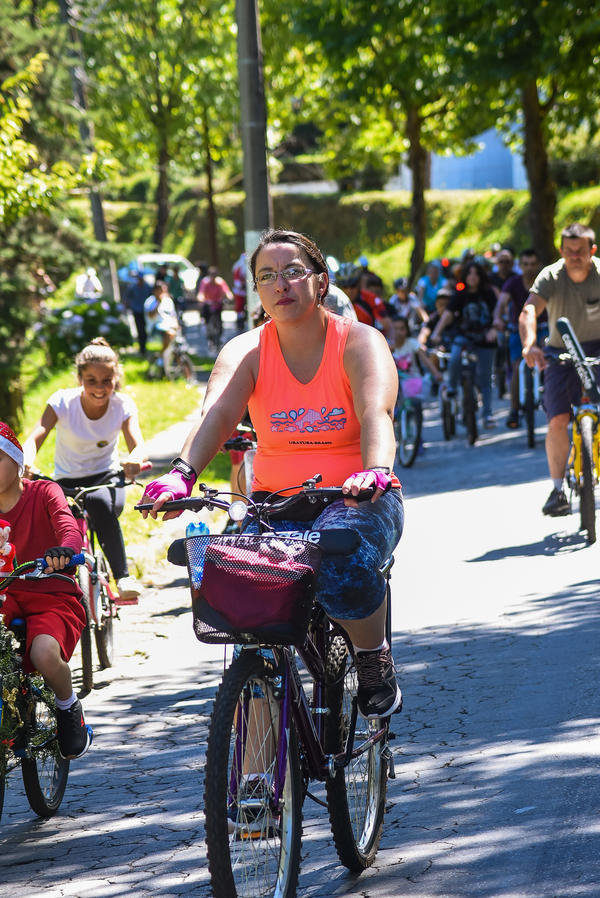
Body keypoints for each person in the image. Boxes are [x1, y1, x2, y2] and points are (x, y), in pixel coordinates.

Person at [141, 228, 405, 720]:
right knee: (242, 596)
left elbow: (377, 413)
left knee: (342, 570)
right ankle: (259, 753)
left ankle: (372, 656)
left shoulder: (359, 341)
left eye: (292, 272)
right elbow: (217, 415)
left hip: (357, 496)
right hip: (274, 502)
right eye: (266, 276)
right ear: (256, 291)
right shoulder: (246, 350)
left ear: (321, 281)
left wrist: (374, 471)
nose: (280, 284)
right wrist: (182, 473)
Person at [22, 338, 147, 601]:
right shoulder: (62, 402)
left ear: (116, 378)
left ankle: (122, 577)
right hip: (66, 479)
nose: (100, 388)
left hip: (106, 477)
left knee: (100, 504)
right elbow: (35, 437)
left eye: (106, 380)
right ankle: (53, 586)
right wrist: (27, 461)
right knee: (56, 522)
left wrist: (135, 460)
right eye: (91, 380)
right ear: (80, 379)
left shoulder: (123, 405)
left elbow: (137, 445)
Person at [0, 422, 91, 759]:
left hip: (51, 594)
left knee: (43, 654)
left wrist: (65, 549)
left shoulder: (43, 492)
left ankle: (68, 707)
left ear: (17, 460)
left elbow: (67, 526)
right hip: (5, 597)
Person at [519, 222, 600, 516]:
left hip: (598, 347)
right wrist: (530, 345)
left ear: (592, 250)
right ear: (561, 250)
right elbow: (530, 310)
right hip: (560, 352)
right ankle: (557, 490)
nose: (574, 256)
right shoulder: (551, 275)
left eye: (580, 251)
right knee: (557, 419)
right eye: (569, 250)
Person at [431, 261, 498, 429]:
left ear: (481, 276)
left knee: (485, 377)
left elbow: (497, 314)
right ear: (465, 276)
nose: (473, 277)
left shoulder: (488, 293)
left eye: (476, 273)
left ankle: (487, 414)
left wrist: (494, 329)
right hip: (464, 336)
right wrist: (436, 332)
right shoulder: (459, 294)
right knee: (454, 358)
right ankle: (452, 388)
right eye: (469, 273)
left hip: (485, 338)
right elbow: (447, 314)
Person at [493, 249, 545, 428]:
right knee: (517, 367)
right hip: (518, 330)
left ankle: (558, 404)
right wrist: (497, 318)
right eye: (526, 264)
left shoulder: (545, 281)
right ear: (520, 265)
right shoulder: (513, 282)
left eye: (533, 264)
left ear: (538, 265)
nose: (529, 268)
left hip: (544, 328)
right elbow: (501, 303)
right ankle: (514, 409)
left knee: (553, 362)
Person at [336, 263, 393, 338]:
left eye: (353, 285)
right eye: (344, 286)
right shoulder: (332, 302)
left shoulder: (371, 299)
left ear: (359, 283)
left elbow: (387, 324)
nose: (349, 290)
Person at [144, 280, 179, 374]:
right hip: (155, 328)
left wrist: (177, 324)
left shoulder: (168, 301)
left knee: (176, 343)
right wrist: (158, 303)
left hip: (169, 326)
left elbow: (173, 315)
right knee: (169, 334)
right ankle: (161, 357)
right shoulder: (150, 301)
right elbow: (150, 315)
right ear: (155, 291)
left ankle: (165, 361)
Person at [196, 266, 234, 346]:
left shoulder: (220, 282)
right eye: (212, 276)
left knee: (219, 322)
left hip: (217, 305)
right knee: (208, 322)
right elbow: (201, 293)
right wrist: (201, 298)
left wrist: (229, 296)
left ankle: (219, 337)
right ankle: (210, 337)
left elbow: (227, 291)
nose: (213, 278)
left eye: (214, 276)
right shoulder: (205, 282)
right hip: (208, 305)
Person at [125, 270, 151, 356]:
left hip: (145, 311)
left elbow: (151, 296)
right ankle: (141, 349)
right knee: (139, 330)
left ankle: (144, 347)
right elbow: (127, 297)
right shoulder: (133, 287)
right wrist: (127, 305)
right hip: (136, 311)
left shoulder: (147, 286)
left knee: (145, 330)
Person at [232, 251, 248, 331]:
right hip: (240, 291)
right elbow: (237, 281)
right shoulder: (238, 268)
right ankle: (240, 323)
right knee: (239, 307)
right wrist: (243, 285)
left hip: (247, 291)